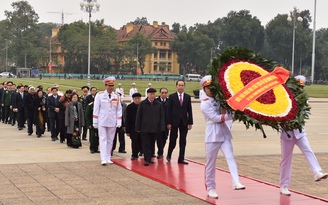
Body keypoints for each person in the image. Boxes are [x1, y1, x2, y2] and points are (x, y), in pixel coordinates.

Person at [280, 75, 327, 196]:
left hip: (299, 132)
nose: (300, 89)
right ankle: (284, 185)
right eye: (298, 86)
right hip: (287, 134)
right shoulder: (285, 97)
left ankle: (317, 172)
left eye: (301, 87)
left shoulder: (303, 99)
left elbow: (306, 110)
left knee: (308, 150)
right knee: (286, 160)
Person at [200, 75, 245, 199]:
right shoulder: (205, 104)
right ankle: (210, 188)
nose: (211, 90)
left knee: (230, 157)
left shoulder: (220, 99)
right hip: (212, 135)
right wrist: (232, 116)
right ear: (204, 89)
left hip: (224, 133)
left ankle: (236, 181)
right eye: (208, 88)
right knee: (211, 163)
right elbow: (215, 118)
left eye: (212, 87)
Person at [93, 76, 122, 165]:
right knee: (103, 139)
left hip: (112, 121)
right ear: (105, 86)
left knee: (110, 140)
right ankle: (103, 158)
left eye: (112, 85)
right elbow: (96, 108)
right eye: (109, 85)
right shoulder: (100, 95)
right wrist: (95, 121)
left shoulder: (117, 96)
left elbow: (119, 110)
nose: (111, 87)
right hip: (102, 120)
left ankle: (108, 157)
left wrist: (119, 121)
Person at [135, 88, 165, 166]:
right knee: (146, 144)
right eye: (151, 94)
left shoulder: (158, 104)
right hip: (145, 128)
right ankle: (147, 159)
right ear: (147, 94)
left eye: (154, 94)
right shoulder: (143, 104)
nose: (152, 96)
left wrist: (162, 127)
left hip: (155, 128)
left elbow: (161, 116)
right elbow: (139, 116)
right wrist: (137, 127)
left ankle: (150, 157)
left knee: (152, 144)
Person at [166, 80, 193, 164]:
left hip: (184, 122)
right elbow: (168, 110)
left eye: (182, 85)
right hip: (174, 122)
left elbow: (189, 110)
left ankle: (181, 158)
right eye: (179, 85)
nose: (181, 87)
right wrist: (168, 123)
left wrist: (190, 122)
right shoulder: (172, 97)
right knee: (173, 139)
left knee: (183, 141)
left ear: (184, 86)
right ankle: (169, 154)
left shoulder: (187, 97)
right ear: (176, 86)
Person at [125, 92, 142, 160]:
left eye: (138, 98)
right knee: (134, 142)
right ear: (133, 99)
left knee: (142, 141)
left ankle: (141, 151)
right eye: (135, 99)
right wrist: (127, 130)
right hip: (133, 128)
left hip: (142, 127)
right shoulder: (129, 107)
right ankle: (134, 154)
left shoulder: (143, 106)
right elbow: (127, 119)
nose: (137, 100)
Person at [156, 87, 169, 158]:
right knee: (159, 138)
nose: (164, 94)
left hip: (166, 123)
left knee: (165, 138)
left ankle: (161, 150)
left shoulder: (169, 101)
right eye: (162, 93)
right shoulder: (156, 101)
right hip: (158, 124)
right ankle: (160, 152)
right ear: (160, 93)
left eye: (165, 93)